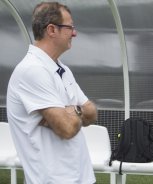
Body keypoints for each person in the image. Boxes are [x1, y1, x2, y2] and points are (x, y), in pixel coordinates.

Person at [6, 2, 98, 184]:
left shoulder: (62, 69)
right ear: (51, 30)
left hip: (81, 177)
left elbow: (92, 113)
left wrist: (72, 111)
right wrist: (74, 114)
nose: (75, 33)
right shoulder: (32, 70)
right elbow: (67, 128)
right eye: (70, 27)